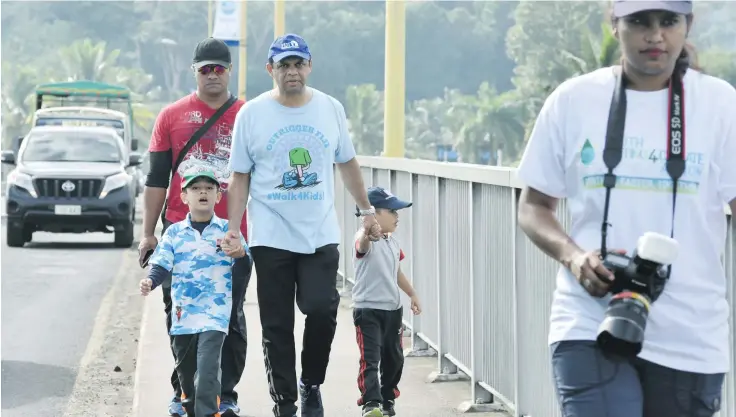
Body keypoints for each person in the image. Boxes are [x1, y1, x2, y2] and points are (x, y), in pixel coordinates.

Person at [516, 1, 736, 416]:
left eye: (668, 21)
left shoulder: (721, 105)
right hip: (590, 318)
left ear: (688, 25)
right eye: (639, 22)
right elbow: (533, 206)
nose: (655, 35)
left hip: (690, 328)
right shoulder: (574, 99)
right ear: (614, 25)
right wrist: (574, 256)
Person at [222, 33, 382, 417]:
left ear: (309, 66)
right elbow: (239, 176)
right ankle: (286, 401)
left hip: (320, 233)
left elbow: (347, 162)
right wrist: (233, 229)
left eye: (298, 64)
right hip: (271, 236)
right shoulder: (253, 114)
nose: (291, 72)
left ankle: (311, 383)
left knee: (322, 308)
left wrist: (367, 210)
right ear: (270, 70)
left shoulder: (329, 108)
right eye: (283, 65)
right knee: (276, 324)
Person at [138, 37, 250, 417]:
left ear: (229, 71)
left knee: (230, 316)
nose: (213, 75)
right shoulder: (171, 116)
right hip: (179, 232)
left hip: (232, 235)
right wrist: (149, 232)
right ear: (195, 72)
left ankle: (226, 393)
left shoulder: (247, 115)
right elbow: (156, 178)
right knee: (180, 316)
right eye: (206, 69)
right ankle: (184, 392)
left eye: (219, 68)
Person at [139, 171, 249, 417]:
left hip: (215, 314)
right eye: (196, 188)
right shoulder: (174, 233)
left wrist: (240, 255)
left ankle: (210, 412)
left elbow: (244, 266)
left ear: (218, 196)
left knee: (209, 370)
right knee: (187, 377)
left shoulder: (228, 232)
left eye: (209, 189)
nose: (203, 192)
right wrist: (150, 281)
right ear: (183, 196)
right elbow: (161, 264)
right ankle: (188, 403)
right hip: (184, 316)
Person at [351, 187, 421, 417]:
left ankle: (387, 398)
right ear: (373, 213)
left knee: (394, 358)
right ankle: (371, 403)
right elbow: (362, 246)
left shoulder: (392, 242)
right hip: (368, 309)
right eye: (392, 211)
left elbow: (397, 272)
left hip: (392, 310)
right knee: (370, 358)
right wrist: (367, 232)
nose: (397, 216)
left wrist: (412, 294)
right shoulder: (364, 238)